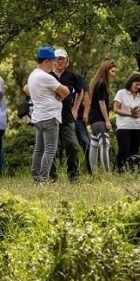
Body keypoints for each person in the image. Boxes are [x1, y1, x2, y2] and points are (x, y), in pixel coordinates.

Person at [26, 46, 70, 183]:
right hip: (49, 117)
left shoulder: (33, 75)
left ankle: (36, 177)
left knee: (39, 149)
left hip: (39, 117)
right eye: (53, 60)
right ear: (46, 61)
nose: (54, 63)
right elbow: (66, 91)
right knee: (50, 150)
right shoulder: (45, 77)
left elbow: (28, 91)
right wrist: (59, 95)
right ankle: (43, 179)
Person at [49, 48, 83, 182]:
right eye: (57, 59)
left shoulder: (72, 76)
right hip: (51, 116)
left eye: (62, 59)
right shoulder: (48, 75)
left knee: (72, 145)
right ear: (52, 60)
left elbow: (81, 91)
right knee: (52, 148)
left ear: (66, 61)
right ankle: (51, 177)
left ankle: (73, 175)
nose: (59, 61)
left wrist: (76, 107)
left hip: (67, 116)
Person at [85, 60, 117, 173]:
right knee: (104, 145)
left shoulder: (96, 83)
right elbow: (101, 102)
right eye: (113, 71)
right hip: (99, 120)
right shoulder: (102, 84)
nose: (114, 73)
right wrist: (107, 120)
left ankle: (94, 173)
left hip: (93, 120)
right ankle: (107, 173)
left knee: (94, 145)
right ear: (106, 70)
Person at [113, 73, 140, 173]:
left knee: (134, 151)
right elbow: (115, 109)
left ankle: (132, 172)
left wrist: (137, 113)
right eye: (136, 84)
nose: (138, 87)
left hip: (138, 127)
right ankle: (120, 172)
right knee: (124, 150)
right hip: (124, 127)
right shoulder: (121, 93)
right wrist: (129, 113)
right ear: (131, 82)